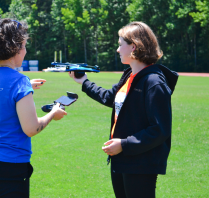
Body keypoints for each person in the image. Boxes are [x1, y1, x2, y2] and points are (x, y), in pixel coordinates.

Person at [69, 21, 178, 198]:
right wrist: (84, 82)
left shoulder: (154, 83)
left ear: (134, 47)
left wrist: (124, 144)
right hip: (122, 160)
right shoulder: (129, 75)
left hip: (140, 164)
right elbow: (109, 98)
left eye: (121, 45)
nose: (118, 50)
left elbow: (160, 130)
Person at [0, 18, 67, 197]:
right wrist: (53, 114)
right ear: (14, 48)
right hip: (8, 169)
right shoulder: (19, 81)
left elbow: (0, 99)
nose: (25, 51)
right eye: (23, 46)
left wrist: (25, 88)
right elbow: (31, 128)